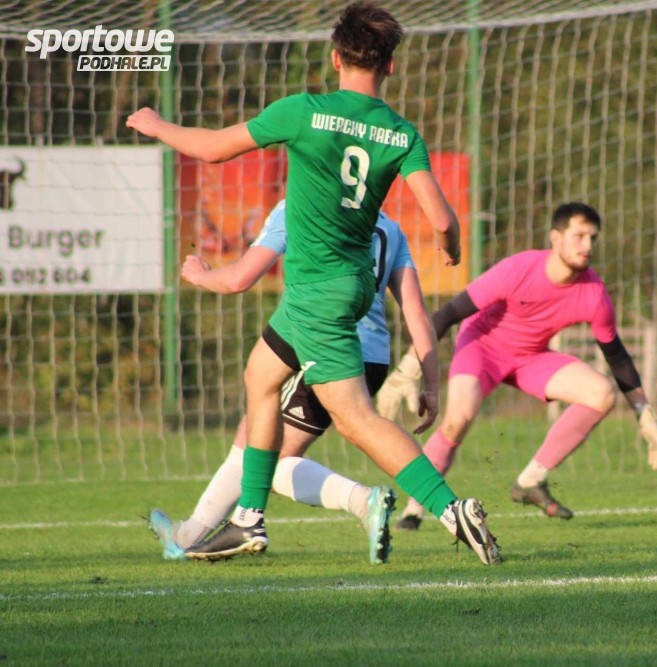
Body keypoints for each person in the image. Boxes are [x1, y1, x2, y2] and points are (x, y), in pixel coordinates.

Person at [127, 1, 500, 565]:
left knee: (358, 421)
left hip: (318, 294)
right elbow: (443, 220)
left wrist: (156, 125)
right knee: (260, 375)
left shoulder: (302, 111)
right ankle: (247, 518)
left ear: (335, 57)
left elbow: (211, 150)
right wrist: (450, 248)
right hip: (342, 287)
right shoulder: (401, 134)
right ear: (390, 66)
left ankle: (452, 510)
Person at [149, 203, 434, 565]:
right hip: (373, 355)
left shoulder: (302, 205)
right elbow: (416, 311)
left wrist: (202, 275)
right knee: (254, 432)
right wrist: (432, 381)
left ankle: (364, 500)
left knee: (267, 455)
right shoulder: (389, 226)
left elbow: (240, 277)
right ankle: (188, 535)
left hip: (323, 340)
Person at [377, 202, 657, 527]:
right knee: (457, 420)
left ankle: (531, 481)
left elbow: (617, 356)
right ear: (556, 238)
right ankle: (415, 510)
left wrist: (644, 413)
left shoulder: (594, 293)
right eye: (579, 236)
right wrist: (409, 369)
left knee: (601, 393)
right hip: (481, 347)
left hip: (531, 357)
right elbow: (447, 315)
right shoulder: (519, 269)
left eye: (592, 238)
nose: (587, 245)